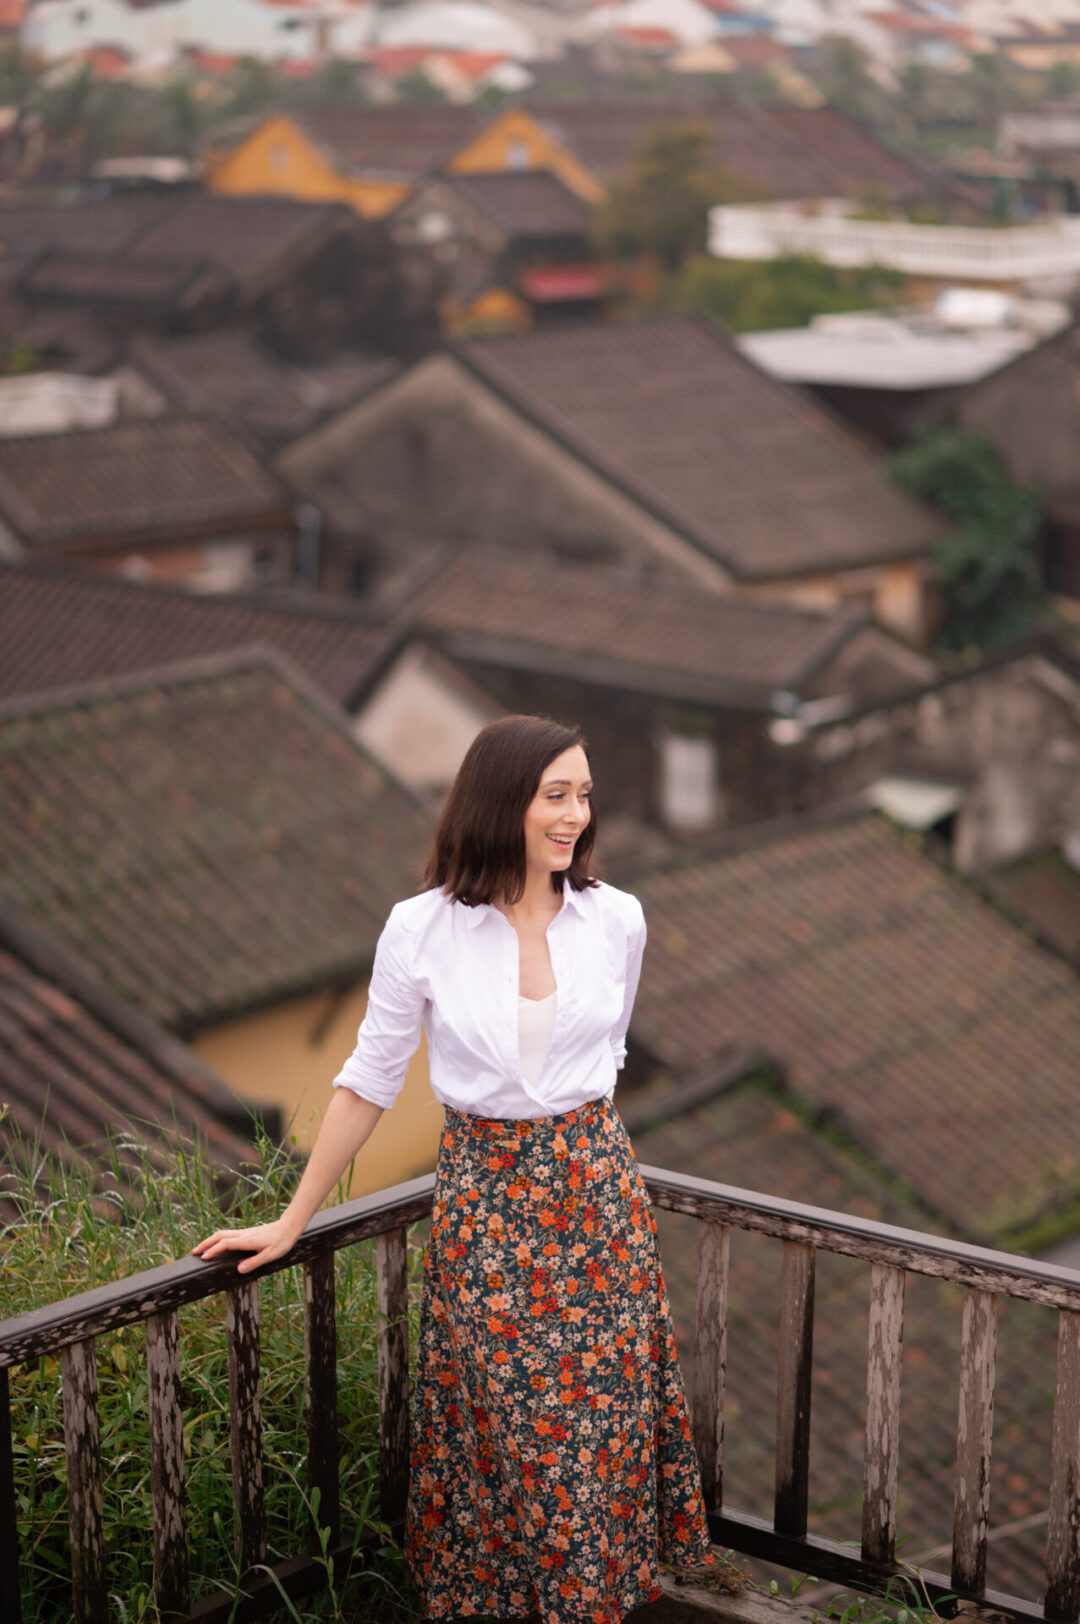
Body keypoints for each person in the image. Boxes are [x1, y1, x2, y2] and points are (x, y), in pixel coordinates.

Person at [193, 714, 715, 1624]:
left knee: (596, 1447)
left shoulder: (617, 918)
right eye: (557, 794)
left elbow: (608, 1058)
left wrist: (585, 1163)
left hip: (599, 1205)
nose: (576, 815)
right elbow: (368, 1082)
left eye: (585, 795)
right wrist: (292, 1219)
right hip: (487, 1208)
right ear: (500, 799)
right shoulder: (421, 929)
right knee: (519, 1445)